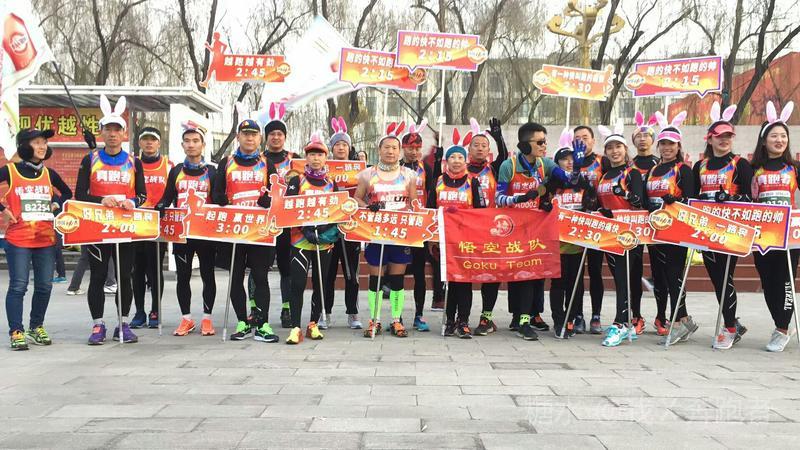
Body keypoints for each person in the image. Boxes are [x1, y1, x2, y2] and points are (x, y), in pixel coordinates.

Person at [75, 95, 147, 345]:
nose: (113, 134)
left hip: (125, 228)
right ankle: (98, 324)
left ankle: (123, 323)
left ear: (124, 134)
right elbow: (79, 194)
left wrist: (133, 202)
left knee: (125, 276)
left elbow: (142, 195)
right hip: (97, 228)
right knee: (97, 276)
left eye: (117, 130)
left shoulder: (134, 162)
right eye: (108, 129)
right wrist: (100, 200)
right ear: (102, 132)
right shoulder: (90, 159)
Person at [1, 128, 72, 350]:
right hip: (18, 239)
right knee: (18, 286)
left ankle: (36, 326)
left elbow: (67, 193)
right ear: (24, 146)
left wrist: (56, 203)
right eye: (36, 142)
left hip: (45, 239)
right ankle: (16, 331)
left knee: (44, 286)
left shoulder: (49, 174)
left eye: (44, 142)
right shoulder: (10, 171)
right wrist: (3, 209)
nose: (42, 147)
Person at [495, 122, 564, 340]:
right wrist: (520, 198)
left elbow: (566, 179)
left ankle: (527, 318)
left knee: (533, 274)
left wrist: (574, 167)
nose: (544, 146)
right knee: (519, 274)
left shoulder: (546, 163)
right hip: (514, 229)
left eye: (545, 141)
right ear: (525, 146)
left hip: (537, 228)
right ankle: (519, 318)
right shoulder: (509, 166)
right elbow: (499, 198)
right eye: (540, 142)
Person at [212, 118, 278, 342]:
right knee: (236, 276)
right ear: (238, 137)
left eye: (253, 134)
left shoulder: (267, 163)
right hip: (234, 229)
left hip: (259, 230)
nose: (249, 138)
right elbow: (216, 192)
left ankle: (263, 323)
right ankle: (242, 321)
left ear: (260, 139)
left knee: (260, 276)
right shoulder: (227, 162)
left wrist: (268, 200)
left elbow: (276, 193)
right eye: (245, 134)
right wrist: (221, 199)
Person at [693, 102, 752, 350]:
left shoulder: (740, 164)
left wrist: (730, 198)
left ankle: (729, 327)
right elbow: (692, 198)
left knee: (725, 277)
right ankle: (733, 322)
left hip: (730, 230)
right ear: (710, 139)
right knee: (717, 279)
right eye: (719, 136)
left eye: (728, 136)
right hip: (706, 229)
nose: (724, 140)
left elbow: (750, 198)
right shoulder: (700, 166)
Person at [353, 122, 417, 338]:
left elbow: (414, 203)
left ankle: (397, 320)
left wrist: (409, 211)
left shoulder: (409, 175)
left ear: (400, 152)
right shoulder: (367, 174)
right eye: (386, 147)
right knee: (376, 280)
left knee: (397, 280)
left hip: (400, 234)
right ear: (379, 150)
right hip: (376, 233)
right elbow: (357, 198)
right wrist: (367, 206)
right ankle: (375, 319)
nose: (390, 151)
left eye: (394, 148)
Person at [155, 126, 218, 337]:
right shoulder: (176, 171)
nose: (191, 145)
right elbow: (167, 197)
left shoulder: (212, 171)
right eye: (187, 141)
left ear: (203, 145)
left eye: (195, 141)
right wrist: (161, 206)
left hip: (205, 234)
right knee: (183, 276)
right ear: (182, 145)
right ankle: (186, 319)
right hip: (182, 234)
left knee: (208, 275)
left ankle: (207, 319)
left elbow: (219, 199)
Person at [643, 111, 698, 344]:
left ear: (678, 146)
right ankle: (684, 319)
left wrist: (676, 201)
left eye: (671, 144)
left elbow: (692, 199)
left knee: (674, 275)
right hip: (655, 231)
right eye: (663, 144)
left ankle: (675, 323)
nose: (667, 148)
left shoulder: (683, 169)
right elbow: (645, 199)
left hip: (676, 231)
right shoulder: (652, 170)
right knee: (661, 276)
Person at [284, 132, 341, 344]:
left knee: (320, 283)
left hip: (322, 241)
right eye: (312, 154)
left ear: (326, 158)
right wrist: (305, 228)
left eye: (319, 155)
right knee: (298, 283)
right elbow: (288, 208)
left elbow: (337, 211)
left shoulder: (331, 183)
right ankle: (295, 327)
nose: (316, 158)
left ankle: (313, 324)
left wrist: (323, 228)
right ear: (306, 158)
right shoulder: (297, 180)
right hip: (300, 240)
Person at [750, 101, 797, 352]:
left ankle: (782, 328)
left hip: (789, 236)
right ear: (764, 140)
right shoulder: (753, 169)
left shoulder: (794, 168)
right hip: (762, 236)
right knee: (768, 281)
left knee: (785, 280)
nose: (779, 140)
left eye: (783, 136)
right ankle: (780, 322)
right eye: (774, 136)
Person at [430, 129, 485, 338]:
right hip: (443, 239)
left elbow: (481, 211)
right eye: (452, 157)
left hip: (465, 239)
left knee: (464, 281)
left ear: (465, 160)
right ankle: (450, 320)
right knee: (449, 281)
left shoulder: (473, 182)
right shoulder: (437, 181)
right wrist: (432, 239)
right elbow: (429, 209)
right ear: (446, 160)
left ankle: (463, 321)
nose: (456, 161)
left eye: (460, 157)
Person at [595, 122, 645, 347]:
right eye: (610, 147)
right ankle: (624, 321)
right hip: (609, 234)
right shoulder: (604, 175)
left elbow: (639, 201)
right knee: (618, 278)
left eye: (618, 147)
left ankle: (621, 323)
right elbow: (601, 202)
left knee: (624, 279)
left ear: (625, 149)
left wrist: (625, 194)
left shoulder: (632, 173)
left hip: (629, 234)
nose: (614, 151)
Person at [544, 129, 594, 339]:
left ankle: (571, 318)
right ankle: (558, 319)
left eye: (573, 159)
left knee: (576, 284)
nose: (569, 162)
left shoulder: (582, 183)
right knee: (558, 284)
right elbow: (542, 204)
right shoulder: (552, 185)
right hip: (556, 244)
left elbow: (591, 201)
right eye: (565, 159)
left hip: (577, 243)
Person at [400, 120, 442, 332]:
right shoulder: (396, 167)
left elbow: (433, 193)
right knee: (396, 273)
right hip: (399, 225)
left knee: (419, 272)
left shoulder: (426, 168)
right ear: (403, 148)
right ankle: (397, 316)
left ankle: (418, 315)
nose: (414, 151)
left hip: (420, 226)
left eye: (418, 147)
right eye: (410, 147)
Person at [260, 102, 299, 329]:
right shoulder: (258, 160)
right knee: (259, 267)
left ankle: (287, 308)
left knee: (286, 266)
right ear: (266, 137)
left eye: (279, 134)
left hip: (287, 221)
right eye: (272, 134)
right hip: (263, 220)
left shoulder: (295, 159)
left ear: (284, 137)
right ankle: (256, 308)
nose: (276, 137)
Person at [468, 118, 507, 337]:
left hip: (491, 229)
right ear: (469, 149)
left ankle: (487, 317)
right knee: (465, 273)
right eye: (476, 145)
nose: (480, 148)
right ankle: (460, 317)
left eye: (484, 145)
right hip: (467, 229)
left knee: (491, 274)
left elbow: (504, 157)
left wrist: (498, 138)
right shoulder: (460, 170)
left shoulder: (493, 168)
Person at [323, 117, 362, 329]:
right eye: (337, 144)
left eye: (344, 144)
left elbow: (365, 193)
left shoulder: (359, 170)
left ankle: (353, 313)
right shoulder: (323, 168)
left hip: (351, 227)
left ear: (349, 148)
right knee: (327, 274)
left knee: (351, 273)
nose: (340, 148)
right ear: (331, 148)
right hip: (328, 228)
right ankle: (325, 313)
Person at [130, 127, 171, 329]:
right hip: (135, 224)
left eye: (152, 140)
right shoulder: (131, 165)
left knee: (155, 270)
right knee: (136, 270)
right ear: (139, 143)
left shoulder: (168, 165)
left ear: (158, 143)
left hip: (157, 225)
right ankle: (139, 311)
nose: (149, 143)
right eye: (145, 139)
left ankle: (155, 310)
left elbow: (173, 192)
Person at [573, 125, 606, 334]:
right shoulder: (568, 161)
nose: (582, 141)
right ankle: (577, 315)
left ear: (593, 141)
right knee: (576, 272)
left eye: (585, 137)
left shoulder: (602, 161)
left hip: (597, 222)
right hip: (574, 223)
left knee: (595, 270)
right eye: (577, 138)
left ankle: (596, 316)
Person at [631, 111, 660, 176]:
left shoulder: (659, 163)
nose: (642, 139)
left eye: (646, 135)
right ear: (634, 141)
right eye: (638, 136)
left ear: (652, 140)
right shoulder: (629, 165)